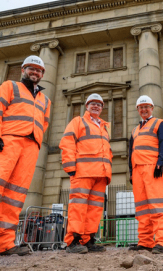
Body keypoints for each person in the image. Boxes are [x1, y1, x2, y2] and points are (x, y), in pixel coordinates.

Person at [0, 55, 51, 256]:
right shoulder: (10, 86)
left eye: (39, 70)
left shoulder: (45, 100)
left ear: (42, 74)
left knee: (15, 196)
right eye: (32, 68)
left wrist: (37, 143)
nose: (35, 72)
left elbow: (44, 124)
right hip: (9, 140)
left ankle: (5, 243)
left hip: (31, 147)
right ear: (23, 69)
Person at [59, 93, 112, 254]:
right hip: (83, 172)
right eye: (92, 103)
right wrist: (70, 166)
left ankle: (87, 239)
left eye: (99, 104)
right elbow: (67, 143)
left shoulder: (104, 127)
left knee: (95, 209)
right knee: (78, 207)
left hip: (101, 174)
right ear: (86, 106)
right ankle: (72, 241)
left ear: (102, 108)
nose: (95, 106)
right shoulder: (78, 121)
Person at [128, 95, 163, 254]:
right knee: (142, 209)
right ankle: (145, 241)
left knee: (158, 205)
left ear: (152, 108)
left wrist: (161, 162)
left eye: (147, 106)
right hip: (137, 170)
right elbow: (130, 152)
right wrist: (130, 172)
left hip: (152, 168)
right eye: (141, 107)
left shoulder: (159, 123)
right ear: (138, 110)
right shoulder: (134, 130)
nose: (144, 109)